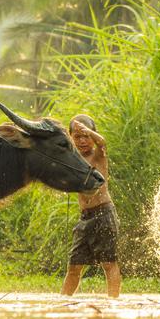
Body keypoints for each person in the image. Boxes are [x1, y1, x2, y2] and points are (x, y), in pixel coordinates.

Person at [60, 115, 121, 298]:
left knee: (109, 264)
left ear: (92, 136)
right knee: (73, 267)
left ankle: (113, 303)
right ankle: (63, 302)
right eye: (77, 137)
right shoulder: (72, 159)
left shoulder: (98, 154)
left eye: (86, 136)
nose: (82, 140)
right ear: (71, 138)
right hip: (85, 218)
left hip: (104, 214)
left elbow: (102, 143)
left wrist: (90, 133)